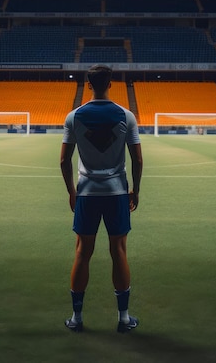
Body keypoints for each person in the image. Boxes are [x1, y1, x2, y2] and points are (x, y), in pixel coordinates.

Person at [60, 64, 143, 333]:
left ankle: (77, 318)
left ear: (88, 83)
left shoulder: (74, 117)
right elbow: (137, 159)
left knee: (82, 253)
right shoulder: (126, 116)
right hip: (117, 191)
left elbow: (64, 160)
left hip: (86, 192)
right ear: (111, 83)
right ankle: (123, 319)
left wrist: (72, 191)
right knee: (118, 251)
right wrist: (136, 190)